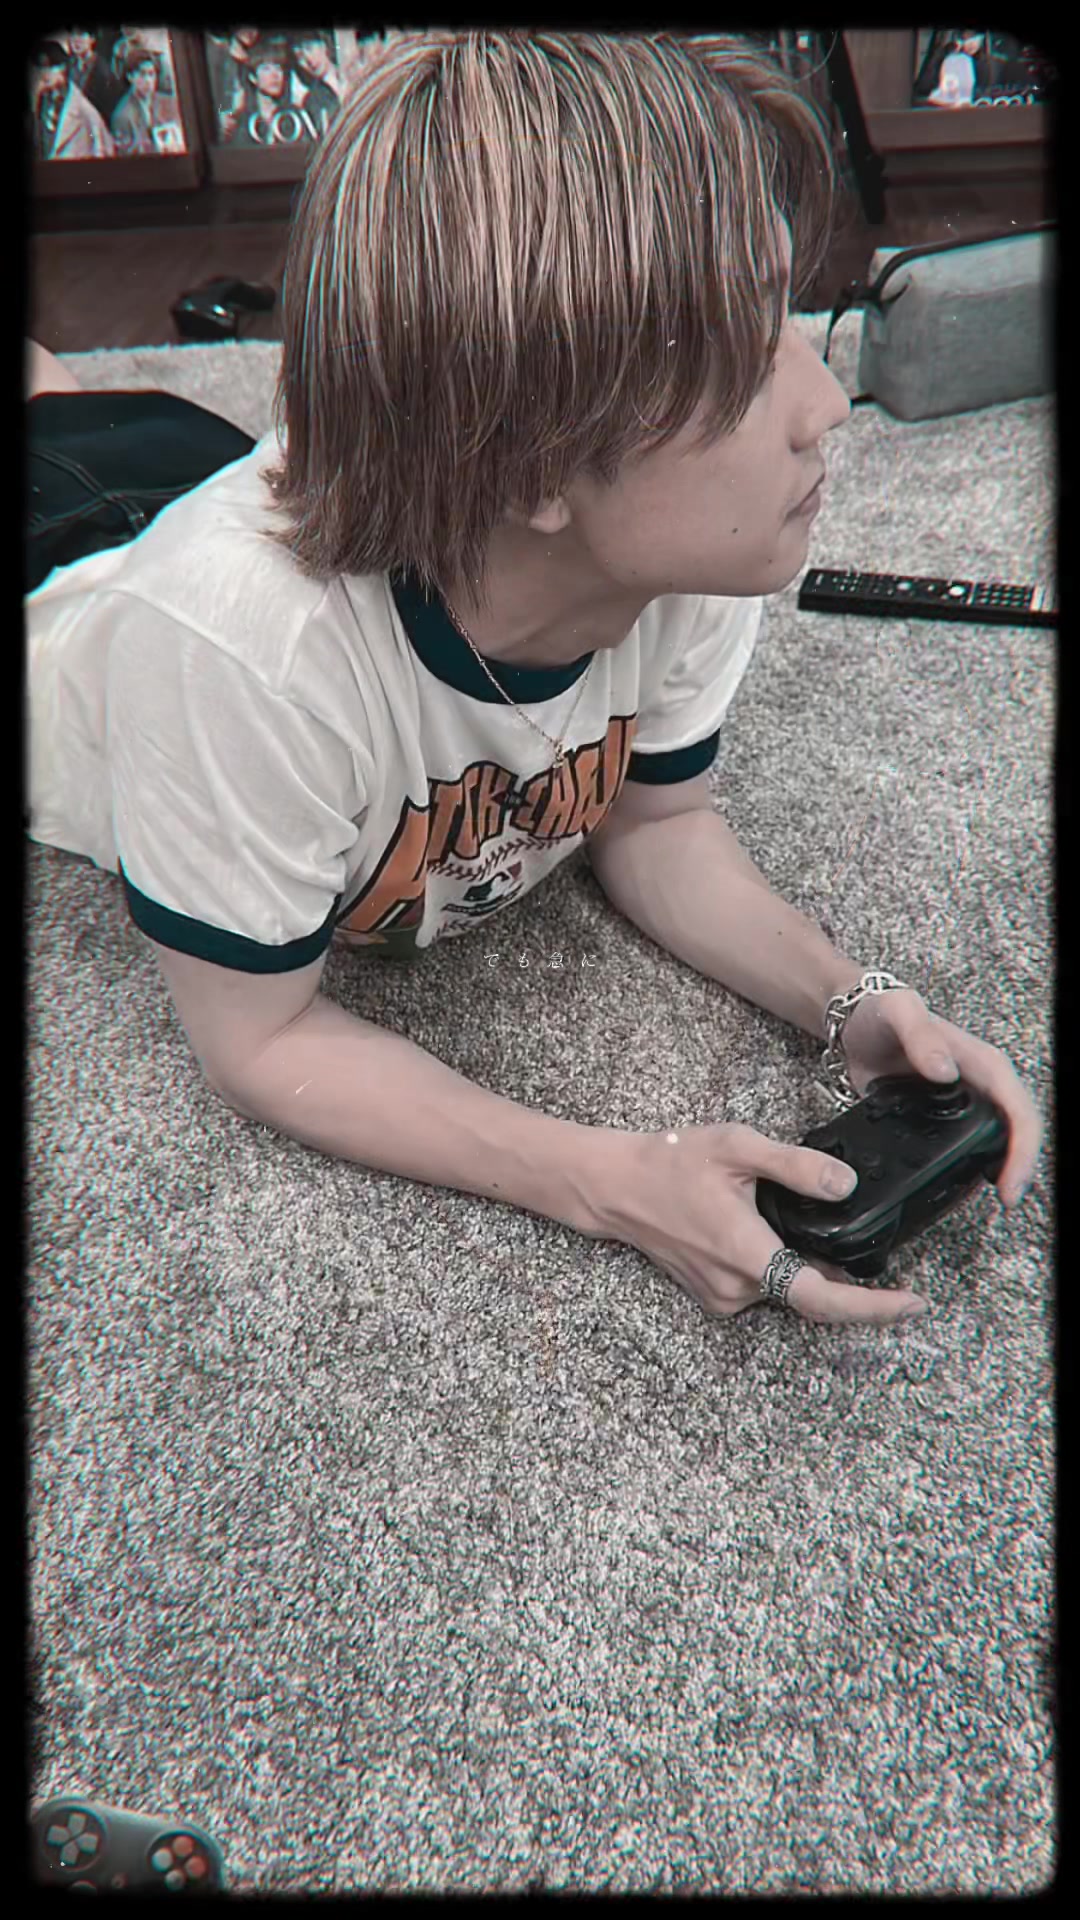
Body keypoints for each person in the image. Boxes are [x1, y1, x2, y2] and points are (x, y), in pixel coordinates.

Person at [24, 30, 1043, 1329]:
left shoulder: (679, 563)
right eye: (748, 359)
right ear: (531, 466)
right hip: (63, 571)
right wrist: (611, 1183)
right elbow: (262, 1042)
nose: (827, 406)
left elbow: (658, 824)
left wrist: (848, 1005)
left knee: (88, 407)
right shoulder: (235, 656)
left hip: (220, 468)